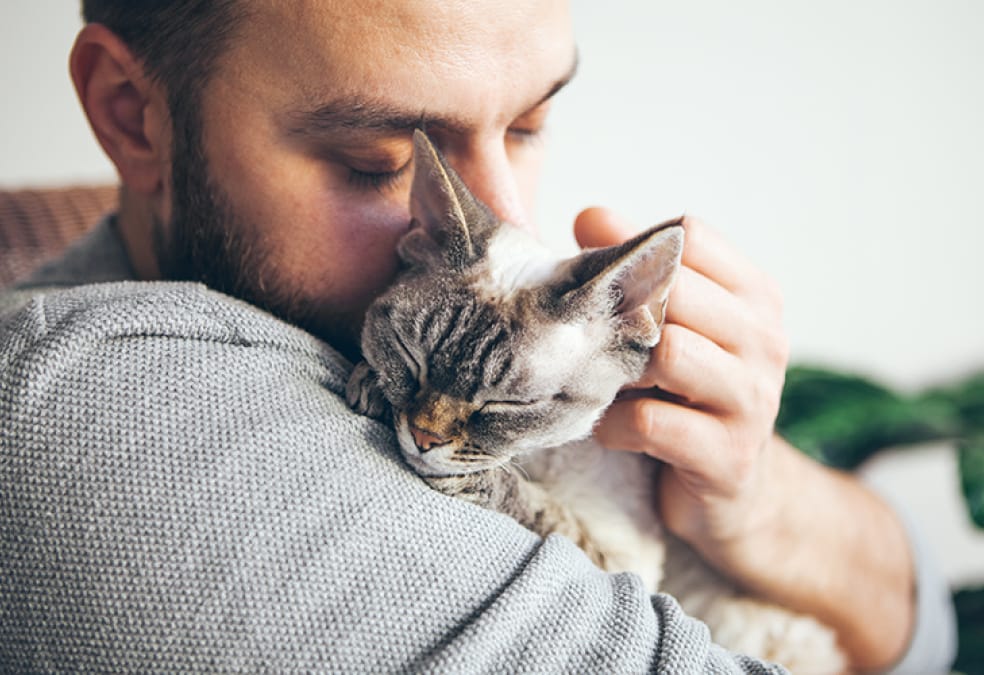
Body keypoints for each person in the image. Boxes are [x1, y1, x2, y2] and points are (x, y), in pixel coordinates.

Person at [0, 1, 955, 671]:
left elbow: (925, 634)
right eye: (382, 161)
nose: (504, 220)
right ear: (133, 115)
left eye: (532, 121)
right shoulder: (106, 418)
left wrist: (759, 502)